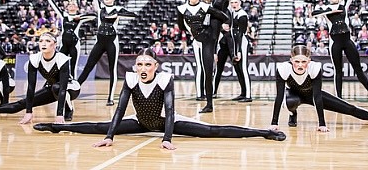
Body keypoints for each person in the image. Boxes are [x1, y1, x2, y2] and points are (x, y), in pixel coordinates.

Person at [32, 48, 285, 149]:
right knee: (98, 127)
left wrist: (166, 139)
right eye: (139, 63)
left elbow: (171, 111)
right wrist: (109, 136)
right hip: (140, 121)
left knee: (212, 131)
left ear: (155, 66)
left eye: (147, 64)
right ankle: (56, 127)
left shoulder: (165, 79)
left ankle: (263, 132)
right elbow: (119, 111)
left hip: (167, 122)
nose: (143, 67)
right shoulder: (130, 79)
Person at [269, 45, 368, 131]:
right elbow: (279, 96)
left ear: (309, 61)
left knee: (351, 109)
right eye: (297, 61)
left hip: (311, 94)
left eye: (303, 61)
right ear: (291, 60)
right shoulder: (283, 69)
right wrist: (274, 123)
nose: (300, 65)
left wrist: (322, 124)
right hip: (293, 95)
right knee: (290, 102)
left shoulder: (315, 68)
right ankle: (293, 115)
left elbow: (317, 97)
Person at [0, 33, 80, 123]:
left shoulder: (62, 59)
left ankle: (68, 109)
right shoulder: (34, 58)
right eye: (41, 40)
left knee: (57, 87)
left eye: (47, 41)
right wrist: (29, 112)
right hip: (51, 88)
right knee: (21, 104)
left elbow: (62, 88)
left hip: (70, 88)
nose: (43, 43)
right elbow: (31, 87)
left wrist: (59, 114)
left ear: (55, 45)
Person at [77, 0, 138, 106]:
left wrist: (117, 15)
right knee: (88, 66)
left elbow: (133, 15)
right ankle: (74, 87)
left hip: (112, 42)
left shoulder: (118, 9)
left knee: (112, 69)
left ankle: (110, 97)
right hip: (99, 42)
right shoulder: (99, 9)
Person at [312, 0, 368, 97]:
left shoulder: (344, 5)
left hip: (347, 40)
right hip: (335, 43)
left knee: (358, 68)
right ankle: (339, 97)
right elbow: (314, 13)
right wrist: (327, 11)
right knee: (338, 71)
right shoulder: (325, 9)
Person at [177, 0, 229, 113]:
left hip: (209, 39)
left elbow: (224, 17)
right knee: (201, 70)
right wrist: (190, 32)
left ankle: (209, 104)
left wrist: (223, 26)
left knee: (208, 72)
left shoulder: (205, 6)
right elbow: (181, 27)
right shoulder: (181, 9)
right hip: (196, 39)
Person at [41, 0, 96, 78]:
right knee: (58, 63)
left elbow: (93, 16)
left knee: (73, 66)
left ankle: (73, 84)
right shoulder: (64, 16)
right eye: (69, 4)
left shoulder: (79, 18)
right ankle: (55, 80)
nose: (71, 6)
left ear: (77, 7)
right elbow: (54, 5)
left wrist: (80, 16)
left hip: (74, 44)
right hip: (64, 44)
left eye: (73, 4)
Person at [214, 0, 252, 102]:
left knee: (243, 70)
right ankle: (243, 93)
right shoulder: (233, 13)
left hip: (241, 44)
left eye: (236, 2)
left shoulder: (242, 15)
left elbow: (241, 34)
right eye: (232, 3)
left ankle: (248, 96)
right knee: (239, 70)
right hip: (235, 44)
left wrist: (238, 51)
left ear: (240, 3)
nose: (234, 4)